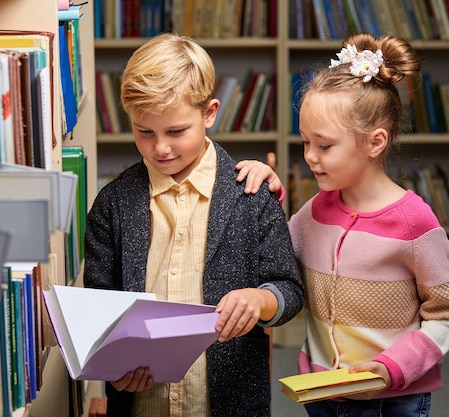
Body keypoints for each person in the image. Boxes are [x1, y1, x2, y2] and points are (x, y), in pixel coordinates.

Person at [237, 32, 449, 416]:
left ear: (375, 142)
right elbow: (273, 256)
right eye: (304, 142)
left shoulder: (414, 223)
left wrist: (391, 368)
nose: (310, 157)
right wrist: (266, 193)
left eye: (324, 145)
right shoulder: (313, 213)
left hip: (393, 397)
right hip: (322, 391)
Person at [83, 32, 305, 417]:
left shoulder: (251, 196)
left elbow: (290, 290)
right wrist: (112, 368)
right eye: (144, 131)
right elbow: (98, 309)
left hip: (231, 403)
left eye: (176, 131)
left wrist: (260, 300)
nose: (161, 148)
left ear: (209, 113)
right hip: (141, 403)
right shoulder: (112, 205)